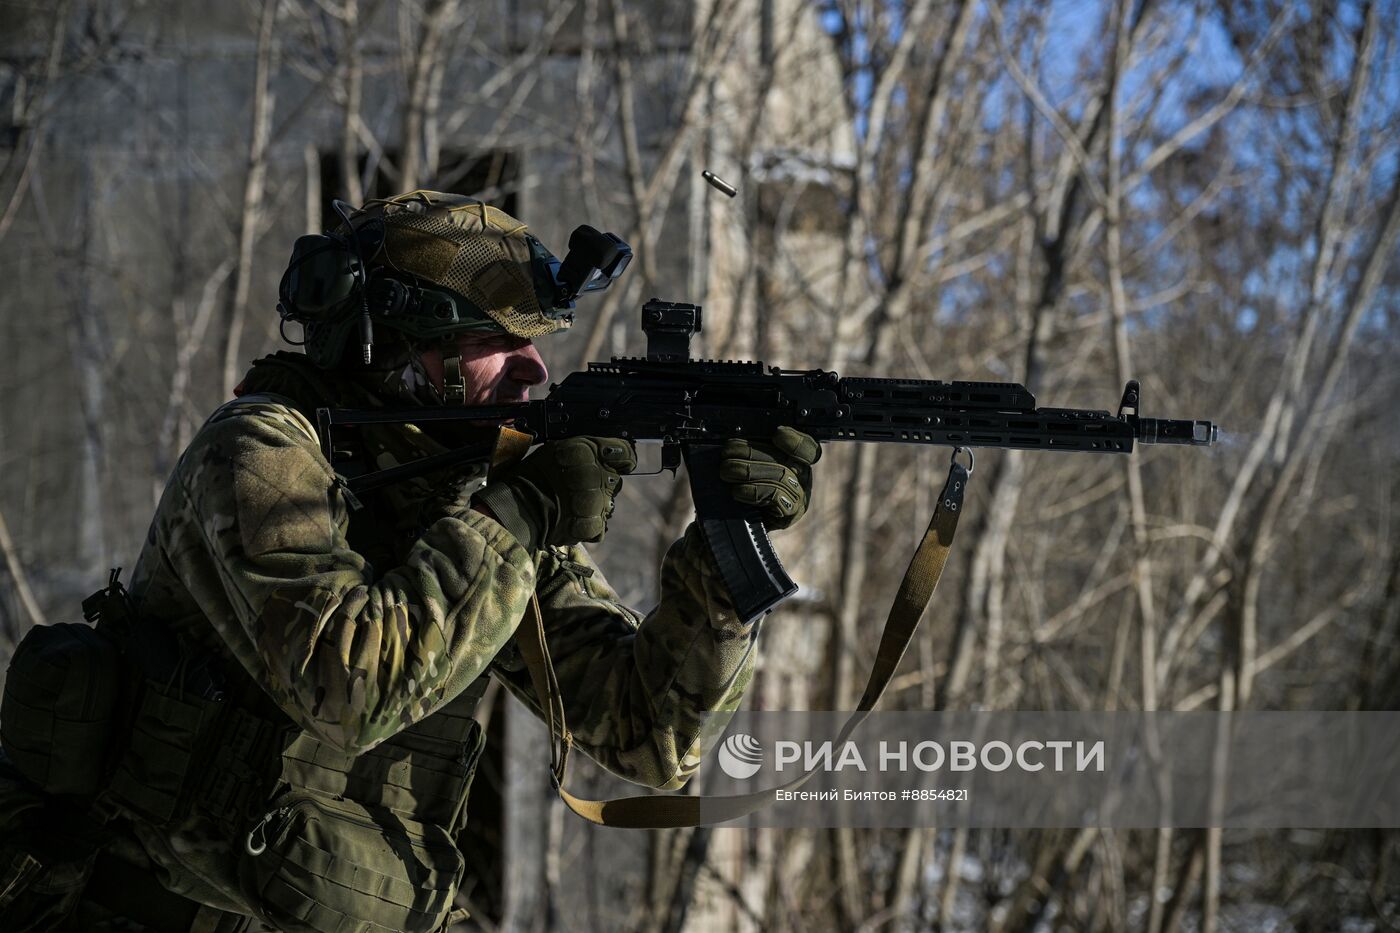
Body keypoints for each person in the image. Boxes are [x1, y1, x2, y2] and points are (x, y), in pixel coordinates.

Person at [0, 190, 820, 932]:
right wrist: (521, 515)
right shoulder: (261, 453)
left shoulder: (469, 496)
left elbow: (650, 736)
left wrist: (720, 558)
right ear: (401, 344)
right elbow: (352, 686)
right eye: (497, 342)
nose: (534, 368)